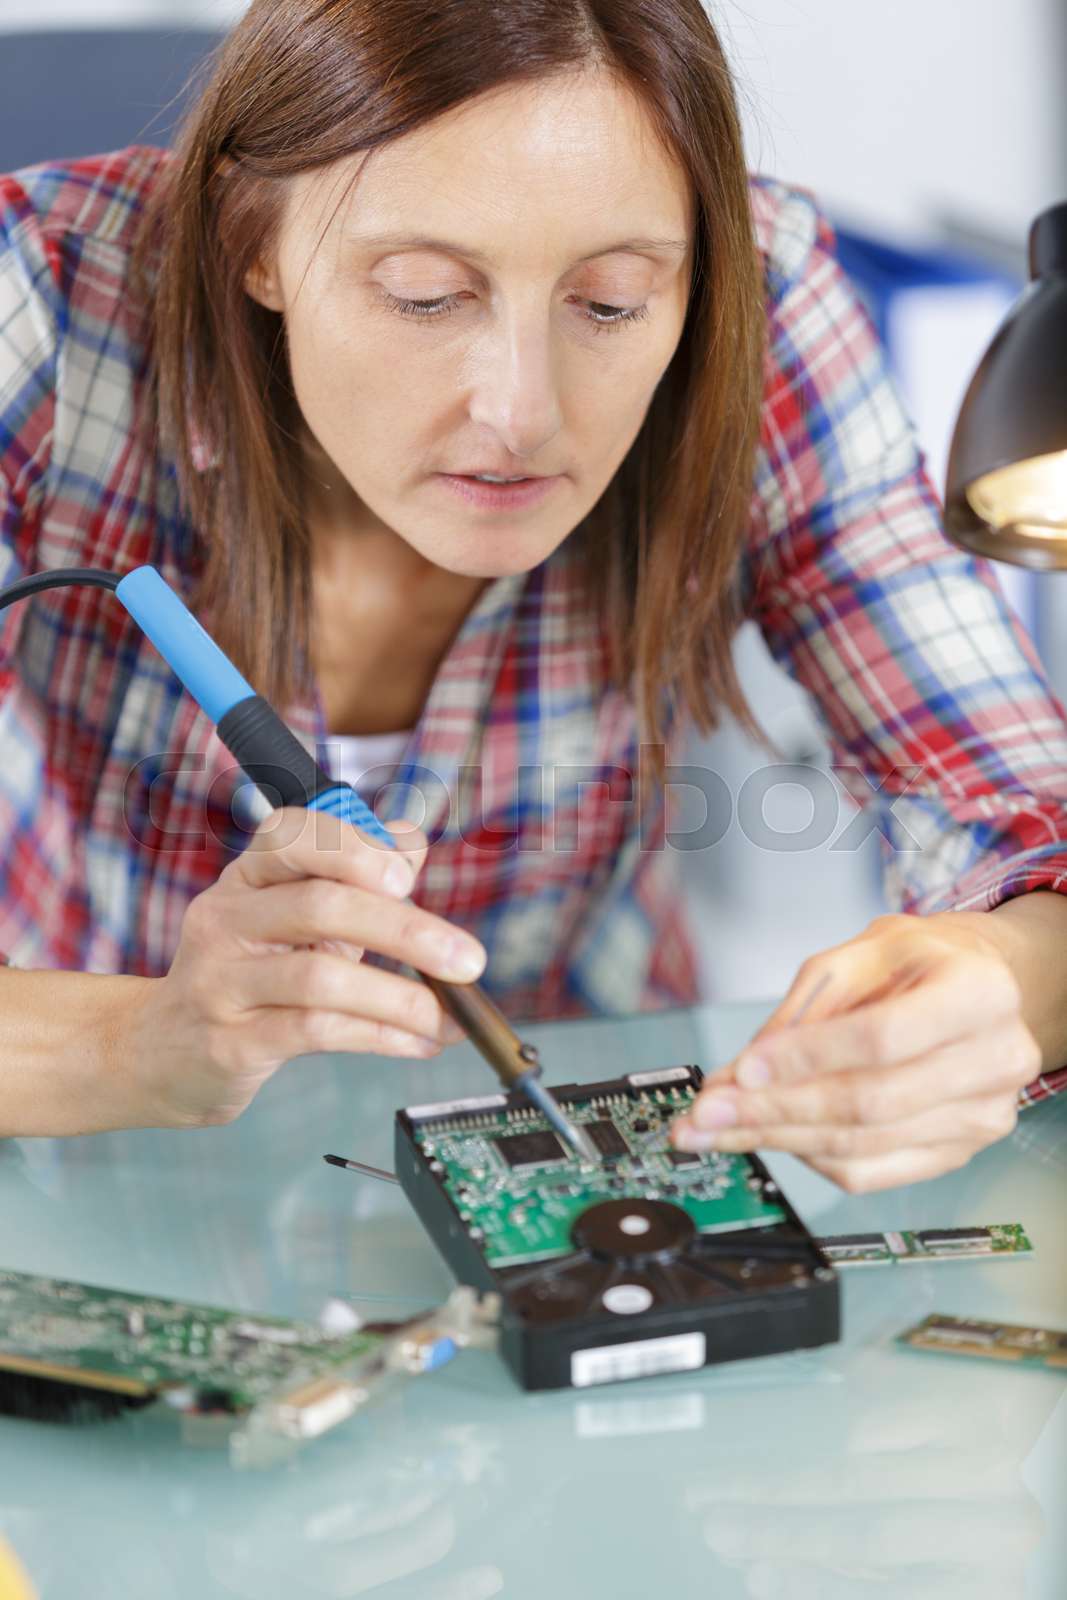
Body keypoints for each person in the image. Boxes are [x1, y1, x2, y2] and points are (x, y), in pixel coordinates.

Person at [1, 0, 1065, 1191]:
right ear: (249, 238)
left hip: (595, 1105)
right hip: (99, 1147)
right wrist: (143, 1043)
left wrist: (1016, 977)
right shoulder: (37, 293)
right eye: (421, 292)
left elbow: (1012, 785)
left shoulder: (759, 298)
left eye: (609, 303)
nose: (521, 415)